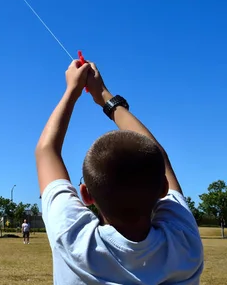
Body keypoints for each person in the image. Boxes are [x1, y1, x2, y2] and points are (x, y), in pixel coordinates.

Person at [34, 59, 204, 284]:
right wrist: (104, 95)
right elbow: (160, 158)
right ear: (163, 188)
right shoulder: (184, 243)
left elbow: (46, 150)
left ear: (86, 195)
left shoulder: (74, 239)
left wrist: (71, 91)